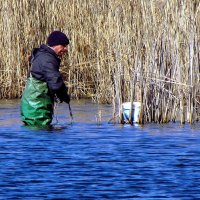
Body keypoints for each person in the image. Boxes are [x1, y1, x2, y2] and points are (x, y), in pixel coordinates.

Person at [21, 30, 70, 127]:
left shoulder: (41, 55)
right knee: (41, 133)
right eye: (63, 45)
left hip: (30, 106)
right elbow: (55, 83)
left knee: (32, 133)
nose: (66, 49)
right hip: (37, 107)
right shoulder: (48, 59)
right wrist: (64, 96)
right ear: (54, 45)